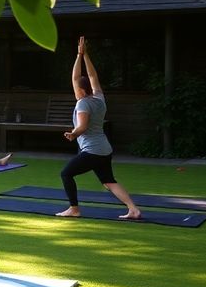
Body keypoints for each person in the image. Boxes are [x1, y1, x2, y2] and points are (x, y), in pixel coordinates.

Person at [56, 37, 142, 220]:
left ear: (80, 90)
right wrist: (83, 55)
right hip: (104, 149)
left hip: (92, 150)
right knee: (109, 181)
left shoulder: (83, 104)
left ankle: (74, 209)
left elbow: (83, 126)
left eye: (75, 87)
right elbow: (92, 76)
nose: (74, 86)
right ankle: (133, 209)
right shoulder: (98, 98)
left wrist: (73, 134)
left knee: (66, 174)